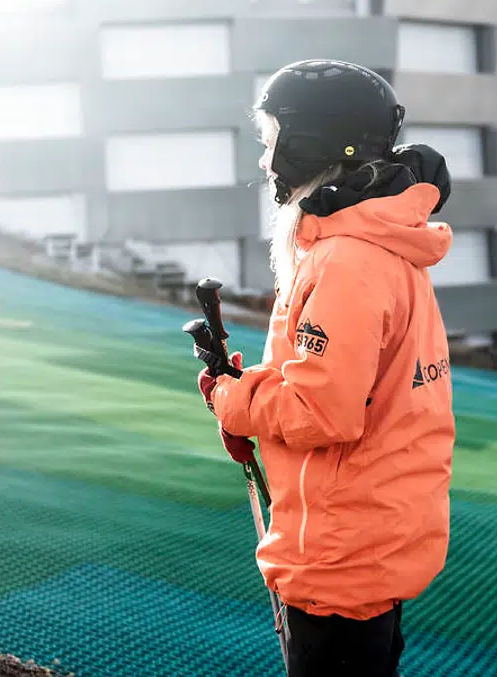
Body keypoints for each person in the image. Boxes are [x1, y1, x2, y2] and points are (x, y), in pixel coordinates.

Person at [196, 60, 457, 677]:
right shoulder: (372, 247)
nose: (266, 162)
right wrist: (251, 392)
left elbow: (323, 410)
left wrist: (235, 402)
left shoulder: (346, 261)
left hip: (341, 556)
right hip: (365, 541)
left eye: (272, 142)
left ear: (309, 144)